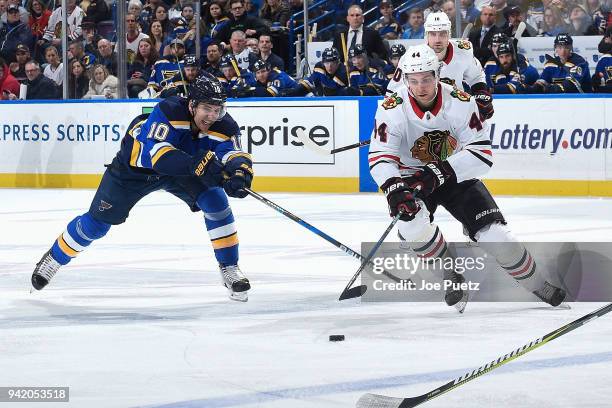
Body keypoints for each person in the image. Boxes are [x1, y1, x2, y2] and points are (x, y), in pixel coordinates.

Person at [368, 44, 566, 312]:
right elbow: (381, 155)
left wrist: (438, 172)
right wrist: (394, 188)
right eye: (413, 81)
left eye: (426, 78)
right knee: (412, 228)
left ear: (438, 74)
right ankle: (451, 275)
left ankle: (538, 284)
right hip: (410, 176)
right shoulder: (392, 108)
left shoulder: (460, 102)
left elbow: (482, 153)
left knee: (498, 237)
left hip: (454, 174)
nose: (421, 86)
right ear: (404, 79)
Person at [31, 73, 254, 302]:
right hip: (135, 170)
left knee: (216, 203)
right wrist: (195, 164)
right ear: (192, 104)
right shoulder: (168, 111)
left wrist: (240, 173)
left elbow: (235, 153)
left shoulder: (224, 125)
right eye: (207, 108)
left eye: (218, 109)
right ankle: (55, 258)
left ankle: (229, 267)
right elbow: (159, 157)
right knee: (96, 226)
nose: (213, 115)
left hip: (182, 170)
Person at [389, 11, 493, 121]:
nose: (437, 40)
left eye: (442, 33)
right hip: (422, 117)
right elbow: (392, 92)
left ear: (449, 34)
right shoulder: (411, 57)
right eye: (433, 34)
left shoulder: (463, 52)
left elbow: (476, 77)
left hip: (456, 114)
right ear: (426, 35)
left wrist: (481, 95)